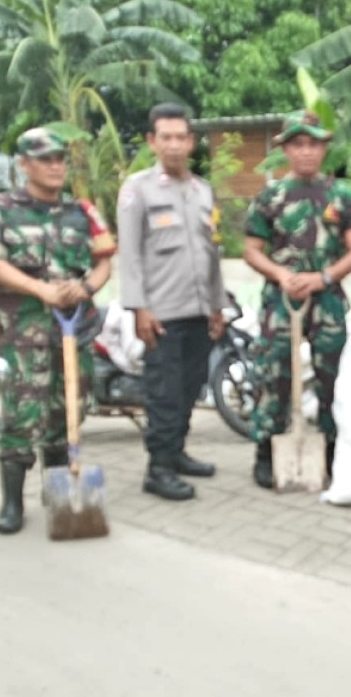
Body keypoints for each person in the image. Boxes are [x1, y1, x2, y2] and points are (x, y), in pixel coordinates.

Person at [0, 127, 115, 534]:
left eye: (60, 158)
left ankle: (57, 494)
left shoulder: (81, 211)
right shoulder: (0, 208)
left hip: (74, 332)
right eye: (44, 159)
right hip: (25, 332)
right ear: (23, 165)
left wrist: (86, 287)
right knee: (22, 416)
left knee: (66, 411)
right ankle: (11, 505)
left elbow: (105, 260)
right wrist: (41, 290)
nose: (55, 166)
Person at [243, 111, 351, 488]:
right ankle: (267, 450)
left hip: (327, 299)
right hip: (282, 299)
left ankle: (332, 451)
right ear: (286, 150)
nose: (307, 152)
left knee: (335, 376)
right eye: (299, 144)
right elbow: (251, 249)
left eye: (314, 143)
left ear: (324, 148)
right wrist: (282, 275)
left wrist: (323, 278)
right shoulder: (270, 197)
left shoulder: (340, 196)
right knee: (275, 373)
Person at [117, 103, 226, 502]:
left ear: (192, 142)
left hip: (198, 311)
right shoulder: (137, 190)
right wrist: (138, 308)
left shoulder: (202, 191)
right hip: (160, 314)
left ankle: (176, 452)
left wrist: (217, 306)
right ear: (152, 141)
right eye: (166, 137)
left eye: (182, 137)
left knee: (190, 387)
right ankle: (157, 469)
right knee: (163, 393)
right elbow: (128, 255)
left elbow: (212, 253)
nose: (175, 145)